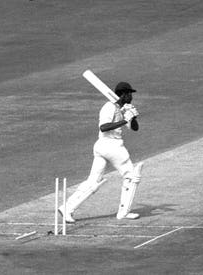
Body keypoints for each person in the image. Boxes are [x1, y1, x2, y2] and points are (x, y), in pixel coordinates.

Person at [59, 82, 142, 222]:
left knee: (93, 181)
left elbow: (134, 128)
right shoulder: (109, 107)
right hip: (111, 145)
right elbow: (103, 127)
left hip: (103, 147)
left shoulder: (123, 109)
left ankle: (67, 208)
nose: (131, 96)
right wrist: (124, 120)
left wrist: (132, 116)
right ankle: (124, 212)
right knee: (132, 176)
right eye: (129, 94)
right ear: (123, 94)